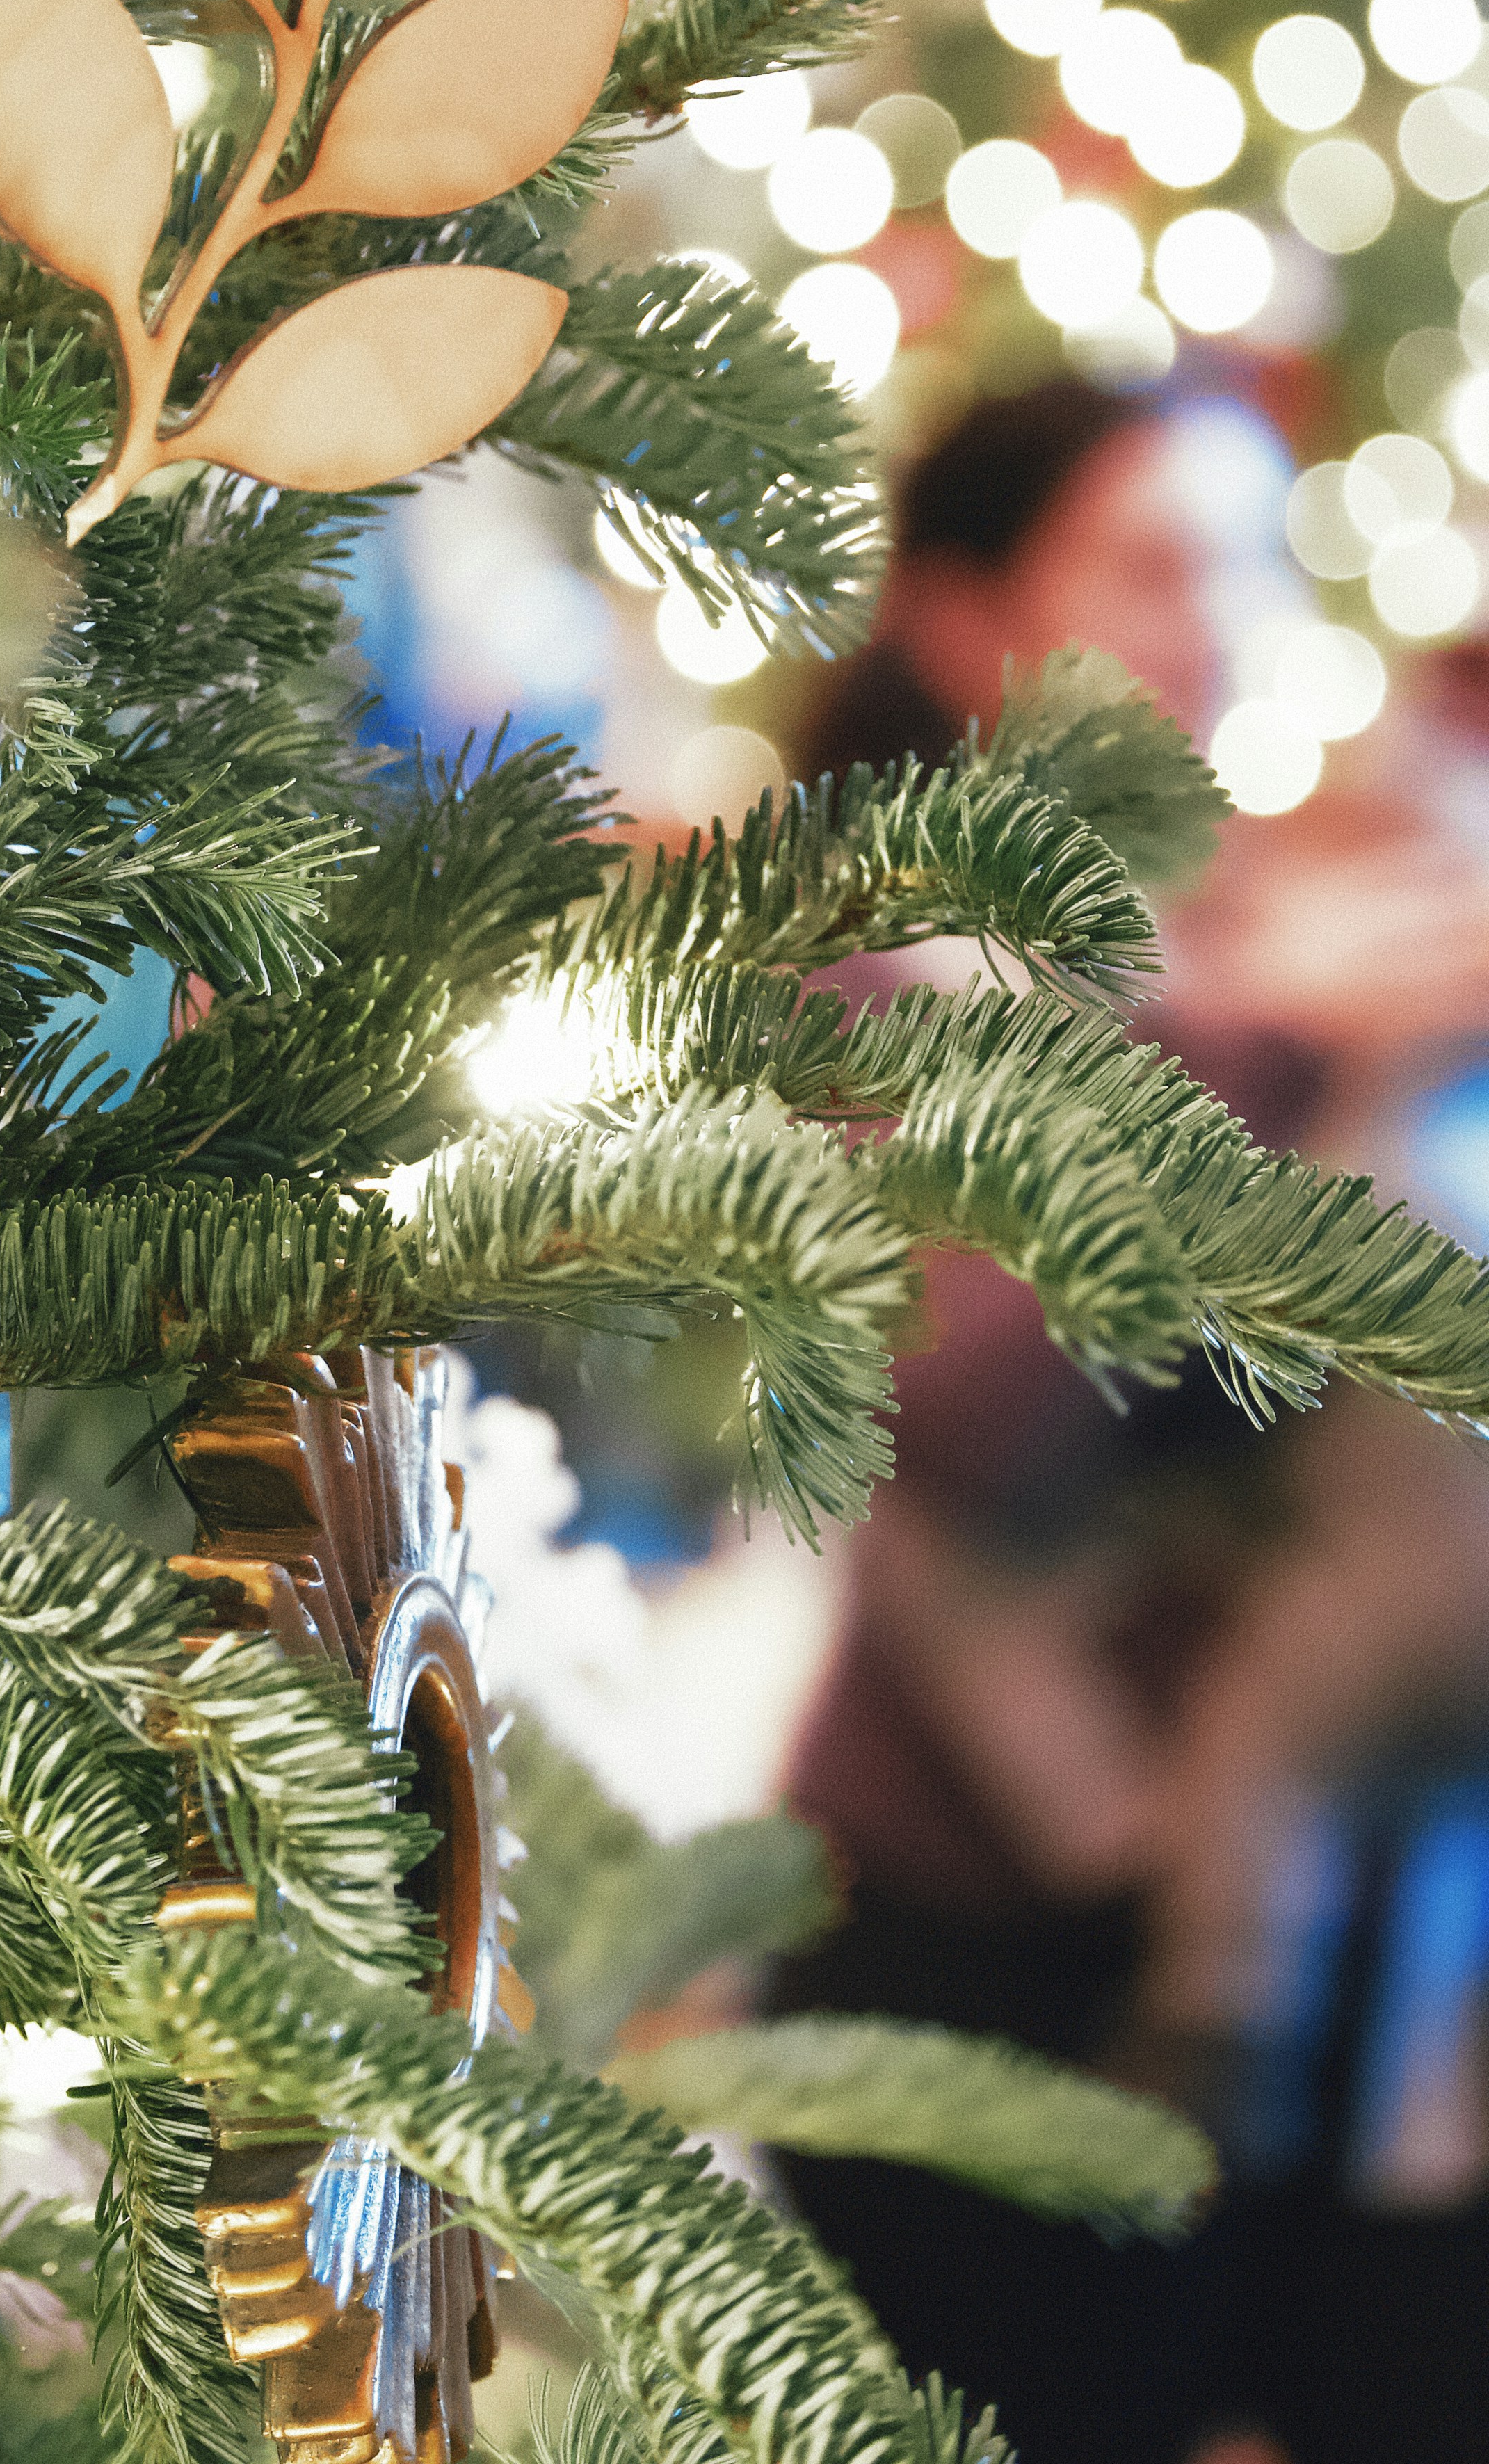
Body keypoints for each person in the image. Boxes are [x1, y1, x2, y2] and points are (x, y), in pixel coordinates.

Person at [772, 380, 1489, 2464]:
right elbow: (970, 1402)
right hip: (990, 1951)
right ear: (967, 616)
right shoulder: (861, 980)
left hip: (1340, 1942)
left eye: (1253, 562)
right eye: (1157, 563)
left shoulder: (1277, 923)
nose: (1222, 620)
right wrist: (1281, 1041)